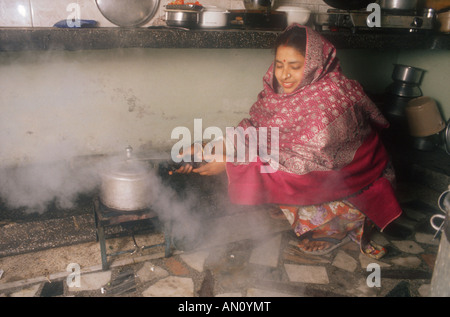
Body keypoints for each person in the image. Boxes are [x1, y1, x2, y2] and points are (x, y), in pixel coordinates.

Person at [175, 24, 402, 259]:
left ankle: (335, 230)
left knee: (278, 184)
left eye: (295, 66)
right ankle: (297, 208)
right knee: (261, 170)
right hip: (313, 175)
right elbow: (257, 131)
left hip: (355, 184)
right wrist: (209, 148)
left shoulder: (331, 100)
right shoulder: (280, 92)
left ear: (315, 64)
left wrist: (230, 165)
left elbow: (304, 170)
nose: (284, 75)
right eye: (279, 65)